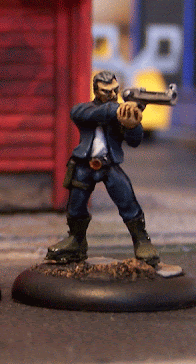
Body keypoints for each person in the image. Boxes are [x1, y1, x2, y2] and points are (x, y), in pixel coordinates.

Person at [46, 71, 160, 266]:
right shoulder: (87, 110)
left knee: (127, 201)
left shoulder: (121, 113)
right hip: (85, 164)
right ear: (96, 91)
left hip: (109, 165)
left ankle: (142, 240)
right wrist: (116, 109)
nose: (112, 94)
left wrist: (132, 125)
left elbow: (134, 142)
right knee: (76, 204)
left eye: (115, 90)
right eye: (107, 91)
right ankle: (76, 241)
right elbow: (78, 113)